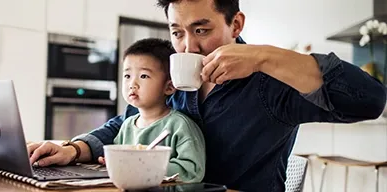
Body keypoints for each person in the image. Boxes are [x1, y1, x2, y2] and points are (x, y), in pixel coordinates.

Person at [27, 0, 387, 191]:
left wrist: (262, 56)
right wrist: (75, 149)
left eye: (201, 29)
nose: (189, 46)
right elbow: (130, 123)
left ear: (236, 24)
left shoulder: (271, 82)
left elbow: (370, 100)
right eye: (177, 33)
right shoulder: (176, 81)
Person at [104, 38, 206, 183]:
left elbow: (192, 170)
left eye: (144, 76)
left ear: (169, 87)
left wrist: (147, 166)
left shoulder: (180, 126)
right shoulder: (127, 125)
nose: (132, 84)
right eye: (127, 76)